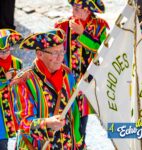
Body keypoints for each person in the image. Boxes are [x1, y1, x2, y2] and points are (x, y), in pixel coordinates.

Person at [10, 29, 86, 150]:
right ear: (40, 54)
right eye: (55, 53)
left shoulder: (67, 74)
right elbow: (23, 123)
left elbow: (74, 110)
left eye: (62, 52)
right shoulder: (23, 81)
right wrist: (46, 123)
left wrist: (79, 141)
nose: (60, 58)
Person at [55, 0, 109, 141]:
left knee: (81, 124)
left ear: (88, 10)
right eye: (72, 6)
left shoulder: (100, 27)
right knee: (63, 121)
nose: (73, 9)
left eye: (77, 7)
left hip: (87, 85)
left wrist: (83, 34)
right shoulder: (63, 26)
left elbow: (104, 52)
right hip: (66, 83)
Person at [0, 29, 23, 150]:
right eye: (1, 51)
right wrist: (4, 79)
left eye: (7, 50)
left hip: (12, 107)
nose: (4, 54)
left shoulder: (17, 63)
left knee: (13, 139)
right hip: (0, 111)